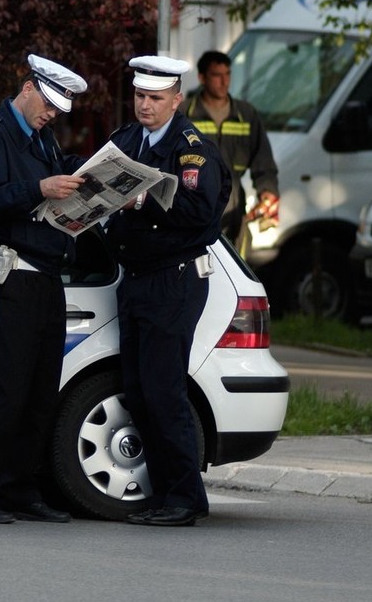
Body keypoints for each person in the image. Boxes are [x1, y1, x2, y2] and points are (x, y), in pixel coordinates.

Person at [0, 54, 89, 524]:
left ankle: (18, 490)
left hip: (46, 274)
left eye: (57, 110)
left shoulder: (40, 138)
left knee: (39, 391)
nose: (51, 115)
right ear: (28, 88)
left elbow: (51, 175)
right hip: (11, 274)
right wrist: (39, 188)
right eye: (47, 104)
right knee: (0, 390)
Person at [106, 55, 231, 527]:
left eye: (156, 98)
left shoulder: (192, 147)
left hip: (173, 280)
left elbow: (201, 210)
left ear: (176, 100)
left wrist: (142, 197)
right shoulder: (126, 139)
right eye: (139, 96)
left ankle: (184, 499)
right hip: (137, 279)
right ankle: (163, 493)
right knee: (138, 391)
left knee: (163, 391)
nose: (145, 106)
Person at [183, 50, 279, 250]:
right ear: (202, 77)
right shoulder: (184, 114)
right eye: (217, 75)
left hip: (234, 211)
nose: (224, 81)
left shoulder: (246, 114)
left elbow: (264, 161)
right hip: (192, 210)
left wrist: (267, 191)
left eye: (227, 74)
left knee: (237, 269)